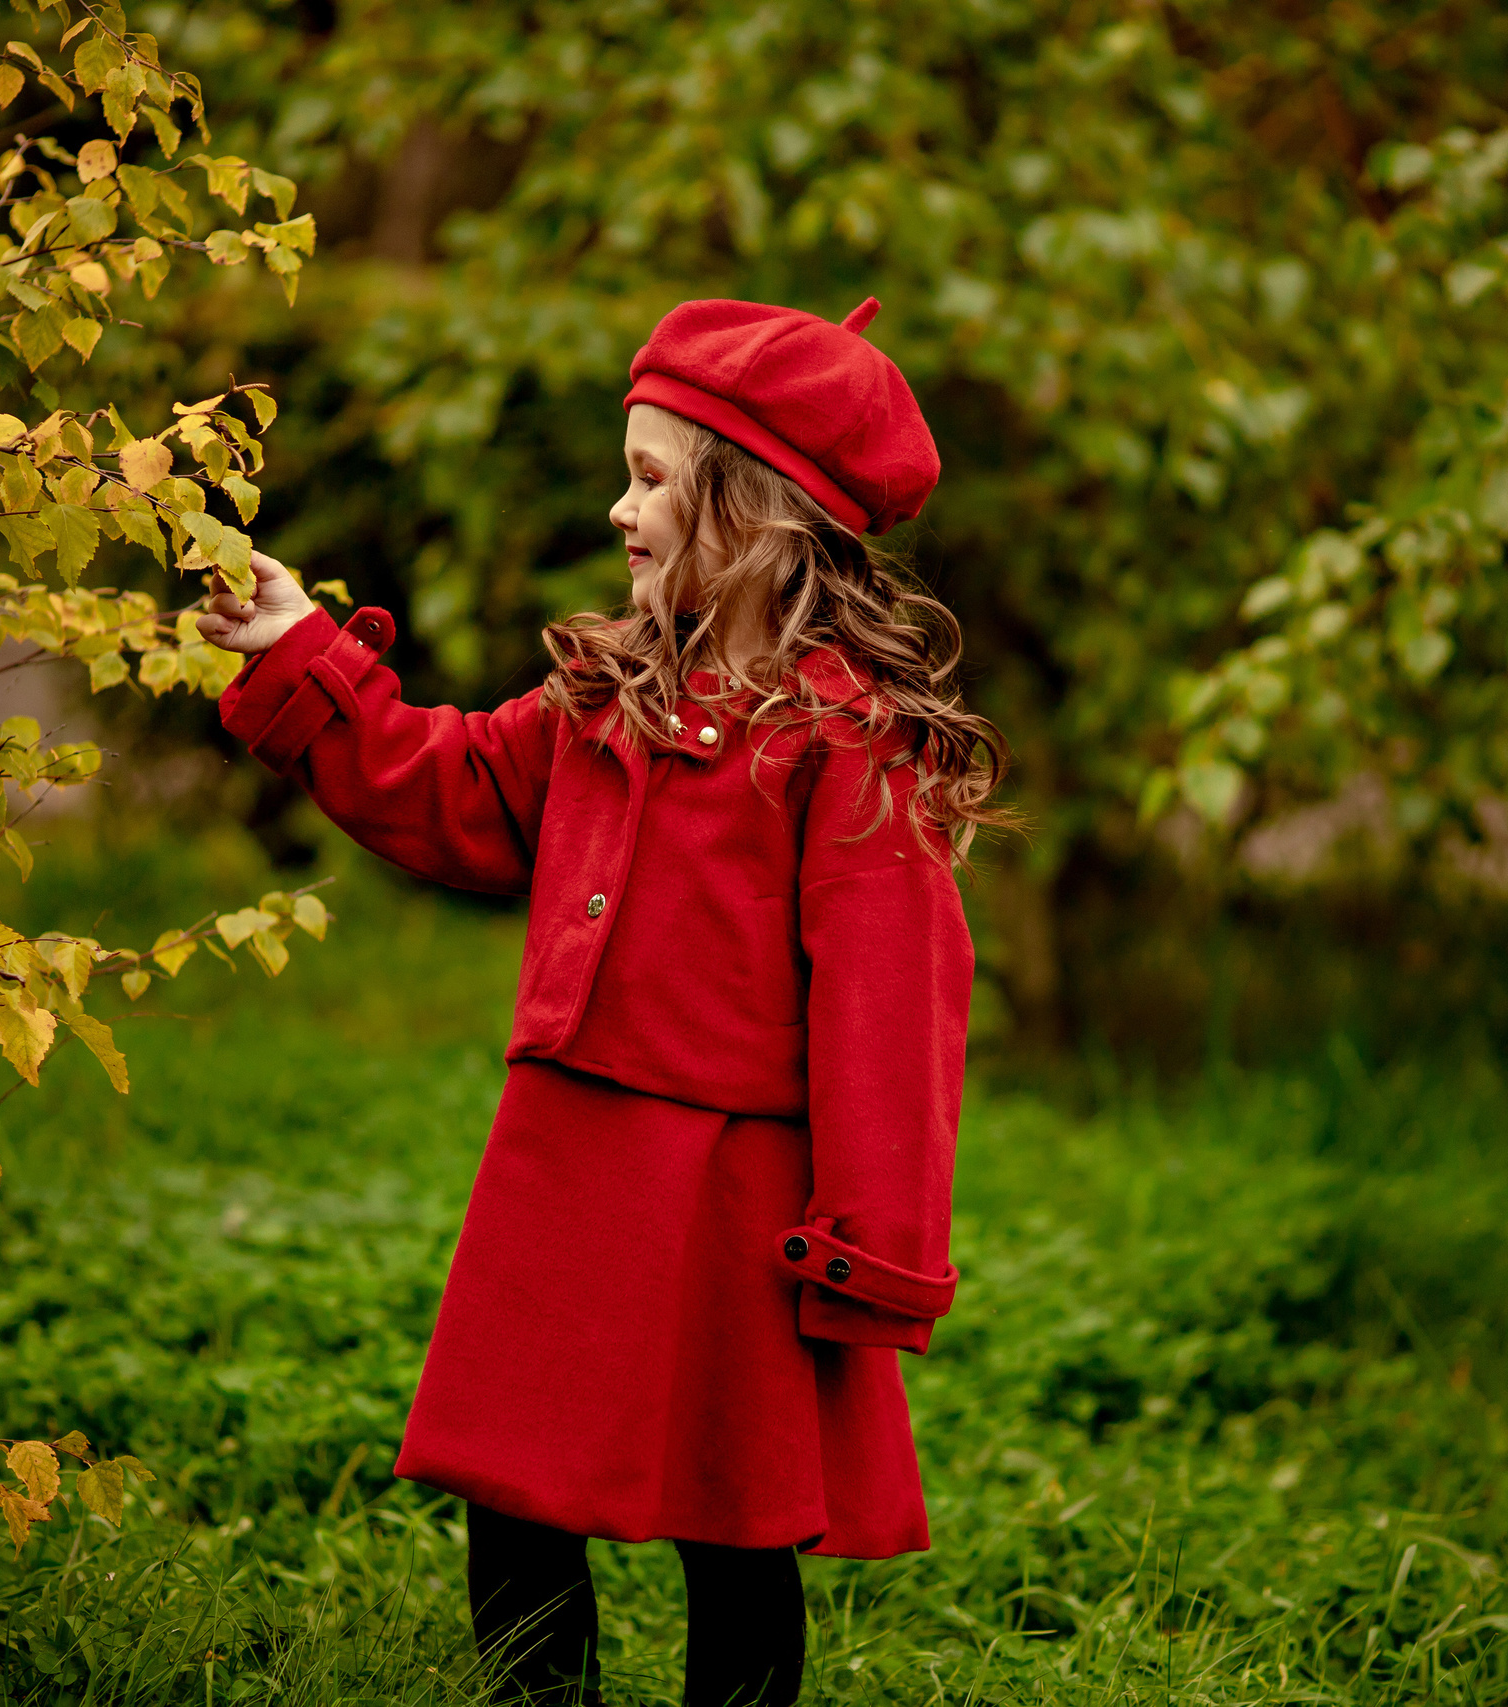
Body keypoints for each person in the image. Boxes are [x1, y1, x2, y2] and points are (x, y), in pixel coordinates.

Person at [199, 297, 1007, 1707]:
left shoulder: (849, 745)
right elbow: (440, 786)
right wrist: (297, 650)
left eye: (649, 477)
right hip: (564, 1172)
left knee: (733, 1522)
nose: (619, 507)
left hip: (736, 1204)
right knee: (512, 1491)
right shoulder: (605, 700)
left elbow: (897, 1014)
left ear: (755, 513)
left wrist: (875, 1247)